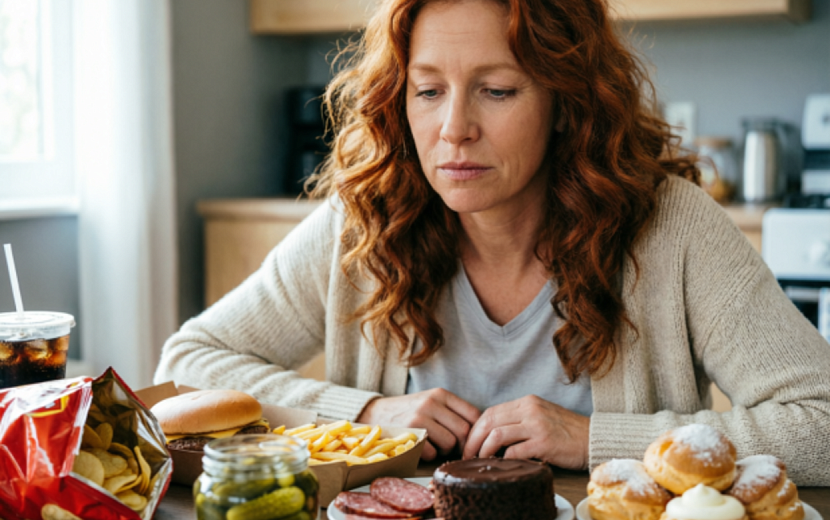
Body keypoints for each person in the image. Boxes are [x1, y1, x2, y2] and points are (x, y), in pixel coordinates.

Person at [154, 0, 830, 484]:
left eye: (497, 90)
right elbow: (188, 362)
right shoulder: (365, 222)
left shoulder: (673, 228)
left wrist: (595, 439)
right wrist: (363, 412)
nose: (453, 129)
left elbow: (821, 422)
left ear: (567, 101)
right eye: (427, 90)